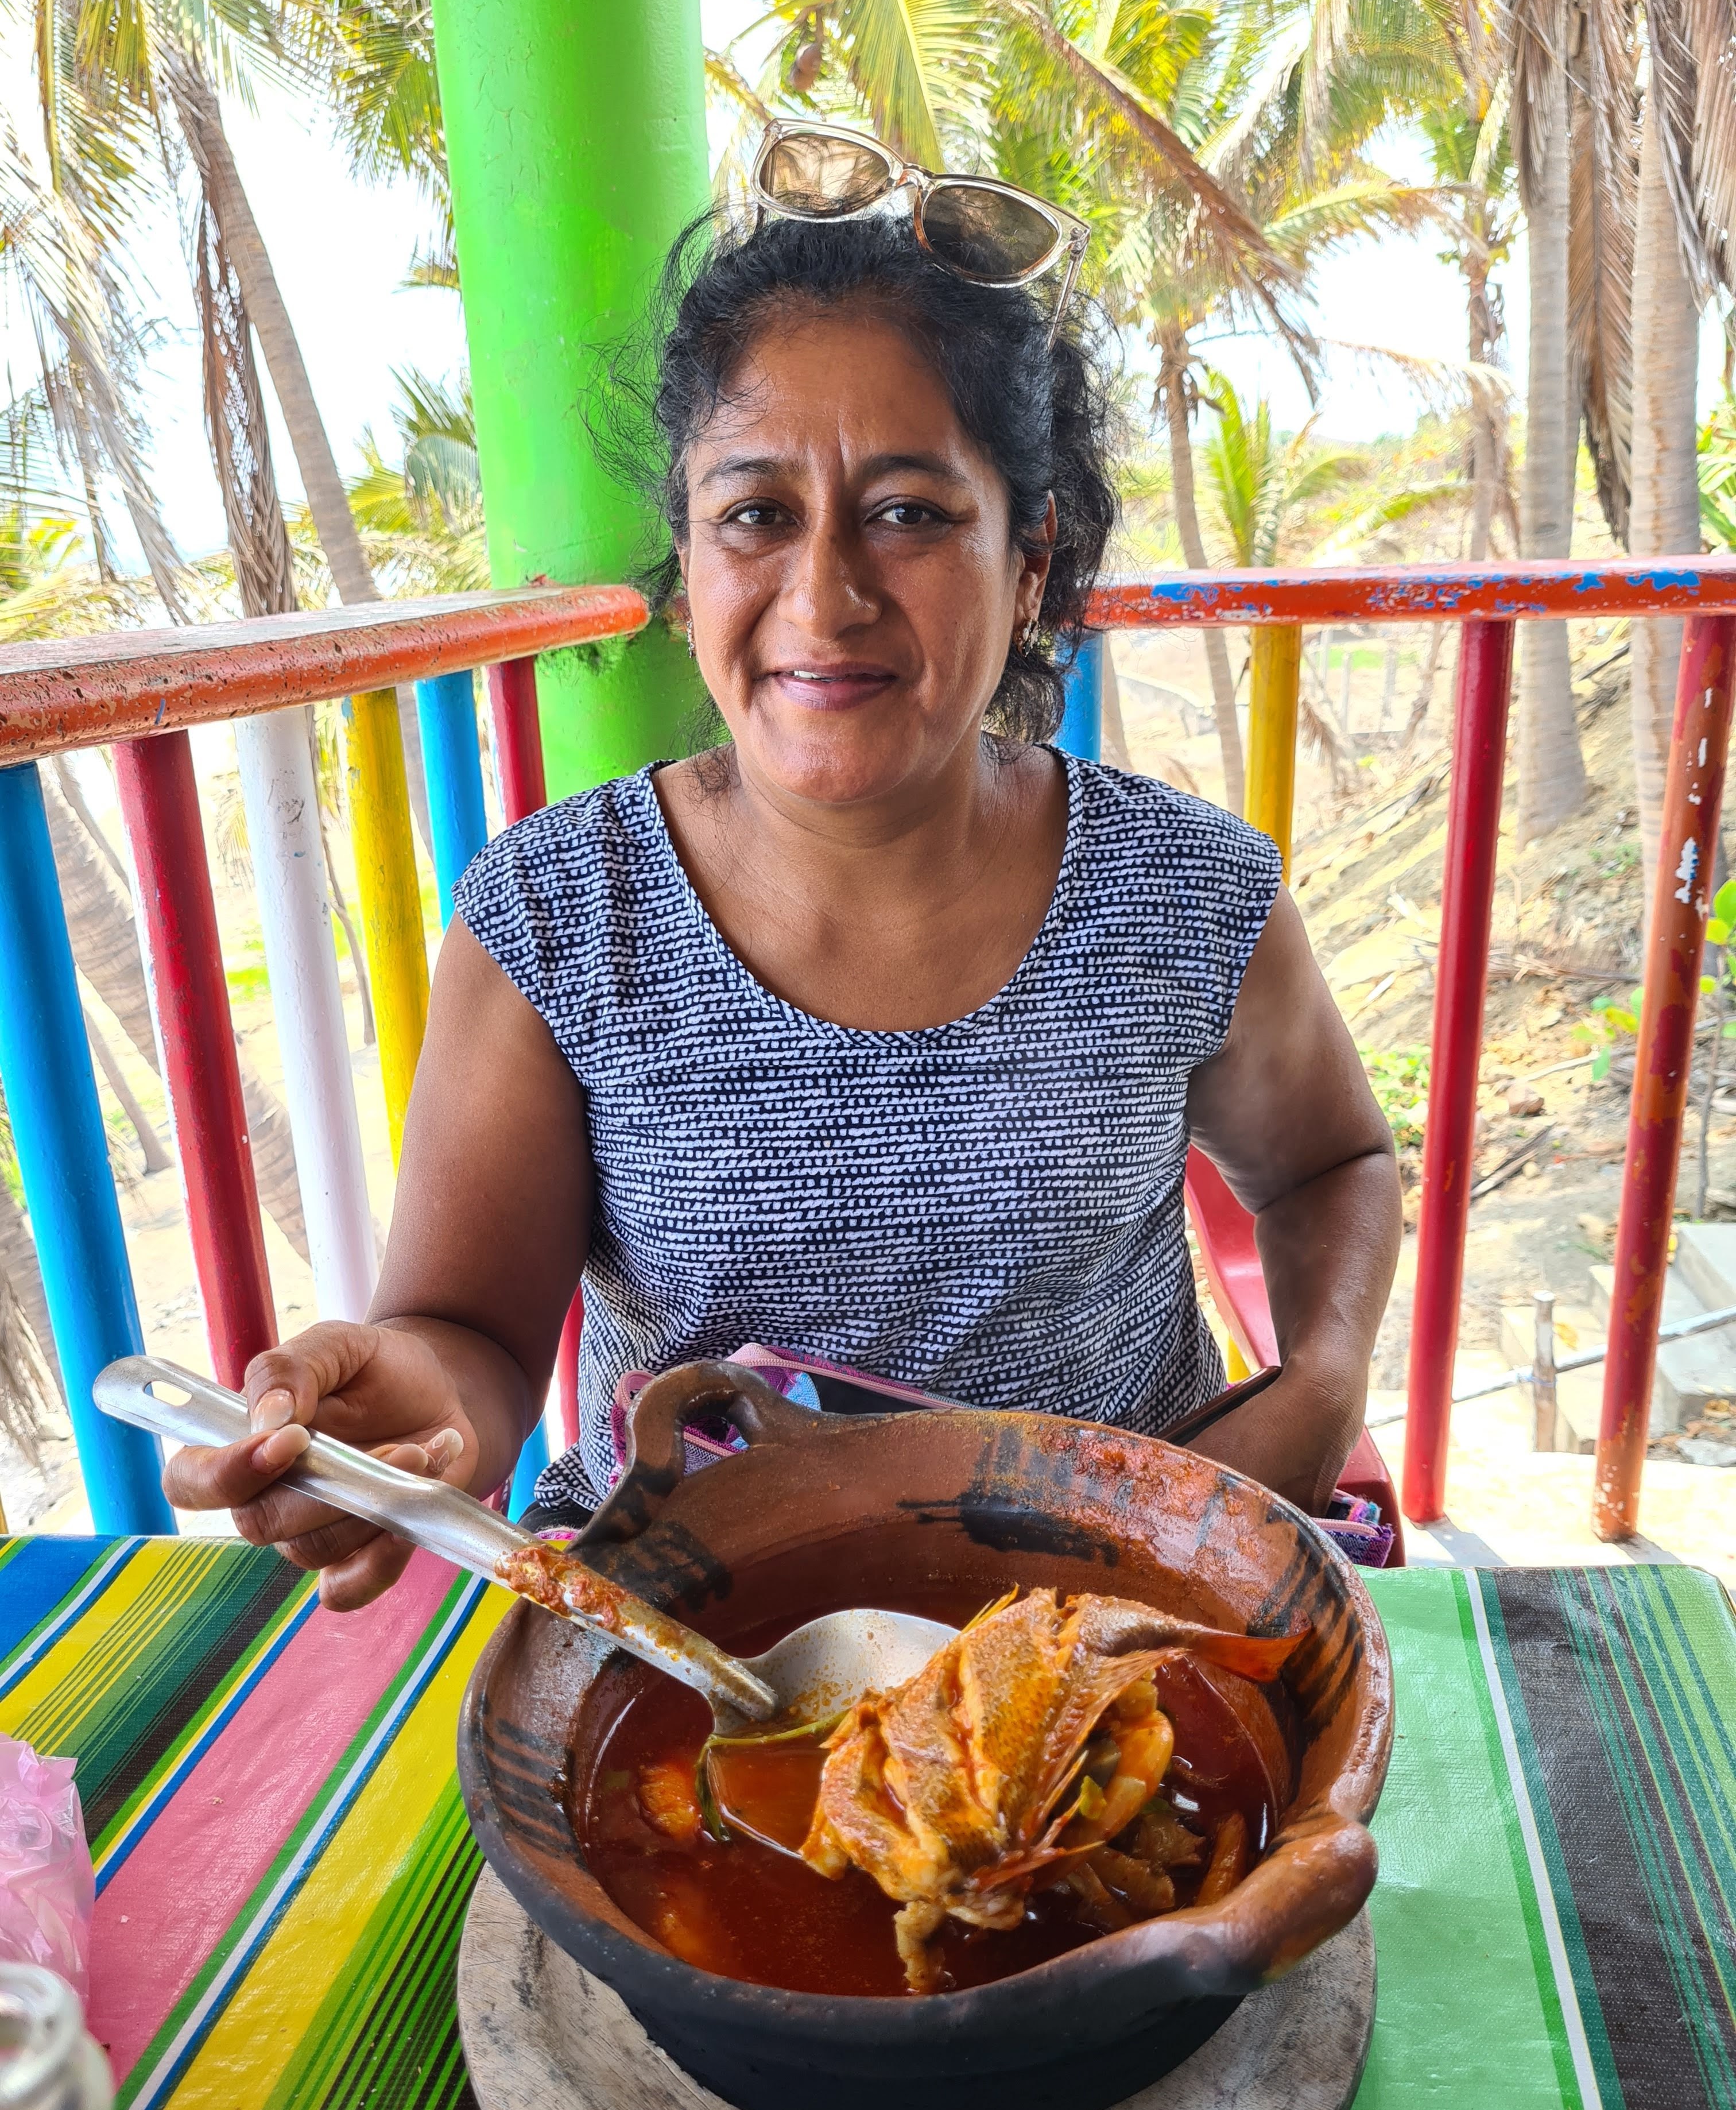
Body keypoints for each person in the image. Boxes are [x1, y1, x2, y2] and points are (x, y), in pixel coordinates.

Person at [166, 130, 1402, 1609]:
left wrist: (1323, 1377)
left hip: (1116, 1624)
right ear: (690, 577)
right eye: (757, 515)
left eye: (912, 512)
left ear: (1029, 561)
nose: (826, 595)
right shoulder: (563, 920)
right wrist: (402, 1423)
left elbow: (1336, 1166)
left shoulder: (1180, 894)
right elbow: (471, 1341)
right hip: (700, 1636)